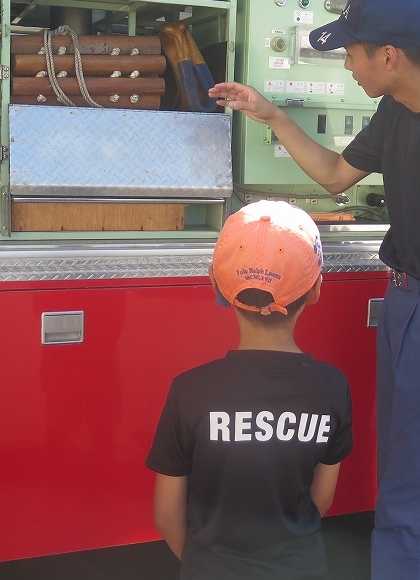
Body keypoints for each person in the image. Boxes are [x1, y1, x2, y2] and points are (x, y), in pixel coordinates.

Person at [208, 0, 420, 579]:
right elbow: (334, 174)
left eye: (352, 52)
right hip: (405, 304)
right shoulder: (397, 109)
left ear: (389, 56)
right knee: (402, 471)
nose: (347, 63)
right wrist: (270, 114)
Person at [146, 199, 354, 580]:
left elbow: (166, 515)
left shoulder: (190, 390)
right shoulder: (332, 386)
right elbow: (320, 500)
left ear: (217, 285)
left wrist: (203, 566)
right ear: (315, 289)